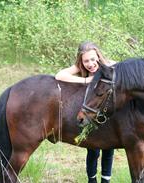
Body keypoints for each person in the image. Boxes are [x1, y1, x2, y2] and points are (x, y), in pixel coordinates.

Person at [55, 41, 115, 183]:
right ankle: (91, 180)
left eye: (93, 59)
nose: (90, 64)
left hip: (107, 114)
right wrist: (87, 80)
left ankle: (106, 180)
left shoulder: (109, 65)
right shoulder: (81, 68)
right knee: (93, 149)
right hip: (90, 113)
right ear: (81, 61)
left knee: (109, 149)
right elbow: (59, 75)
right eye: (86, 61)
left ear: (98, 57)